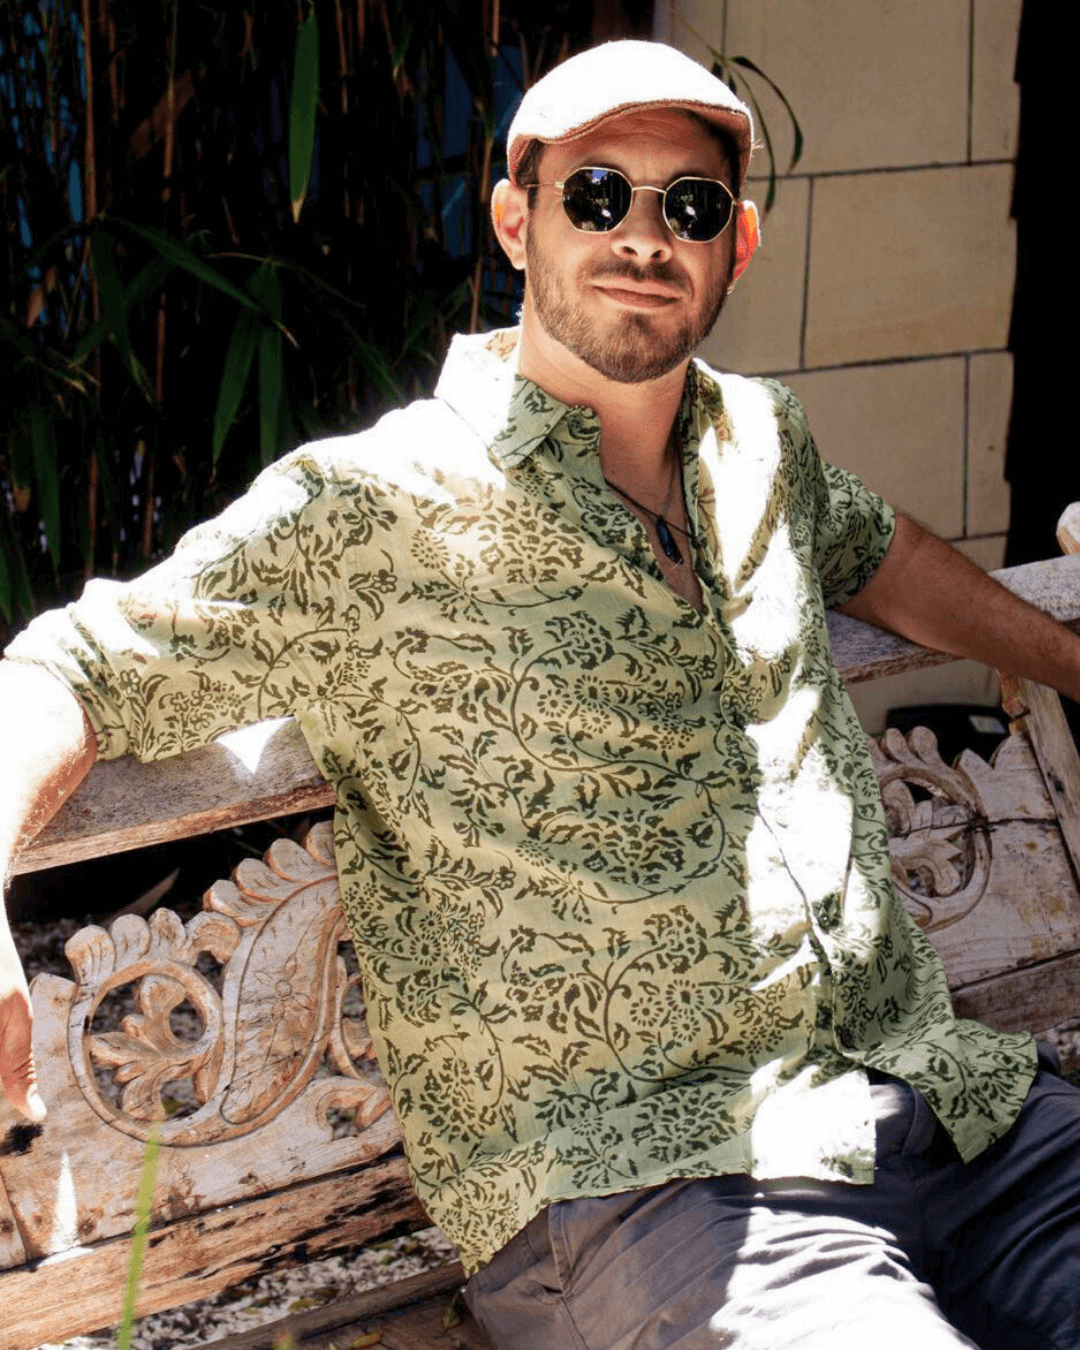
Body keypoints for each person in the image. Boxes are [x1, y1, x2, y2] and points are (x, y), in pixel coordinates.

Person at [1, 38, 1078, 1350]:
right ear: (518, 221)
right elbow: (70, 667)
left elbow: (874, 547)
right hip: (654, 1188)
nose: (641, 232)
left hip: (942, 1100)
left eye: (685, 204)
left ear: (734, 243)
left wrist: (1069, 653)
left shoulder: (758, 444)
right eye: (596, 193)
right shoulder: (376, 509)